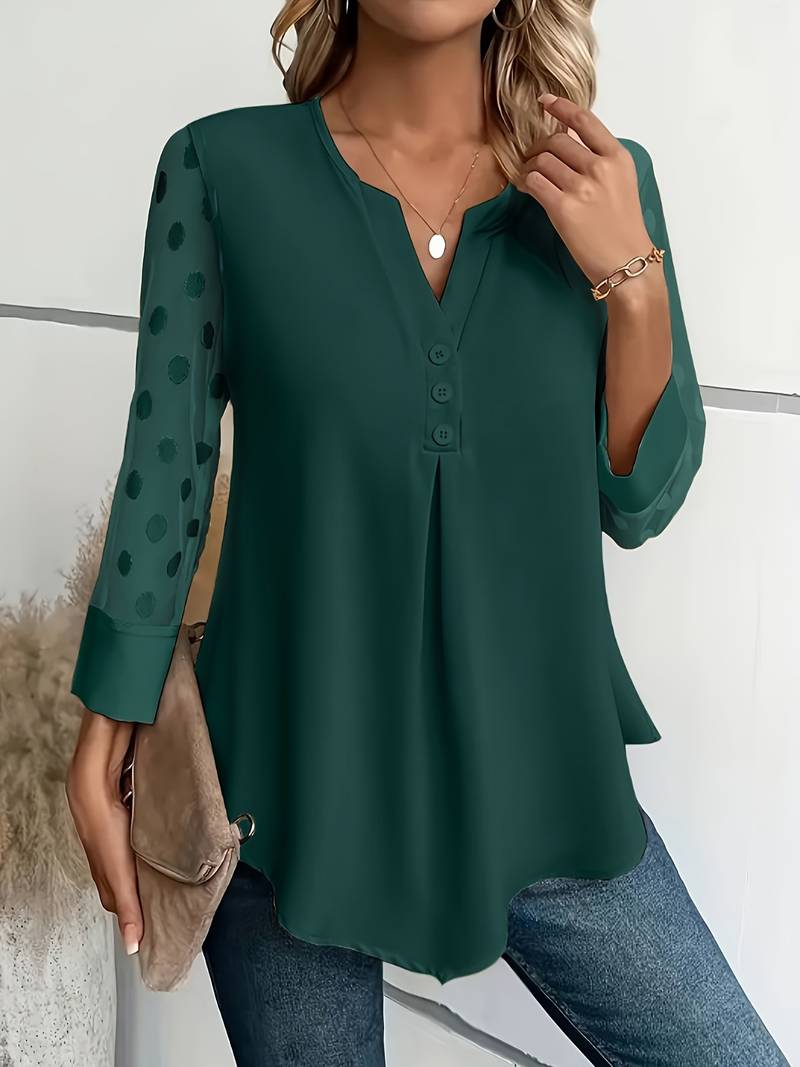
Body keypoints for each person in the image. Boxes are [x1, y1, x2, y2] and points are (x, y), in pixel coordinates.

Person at [66, 1, 790, 1064]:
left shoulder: (602, 180)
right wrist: (110, 709)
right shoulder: (220, 171)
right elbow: (167, 462)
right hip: (285, 795)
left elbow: (638, 500)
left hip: (550, 783)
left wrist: (632, 285)